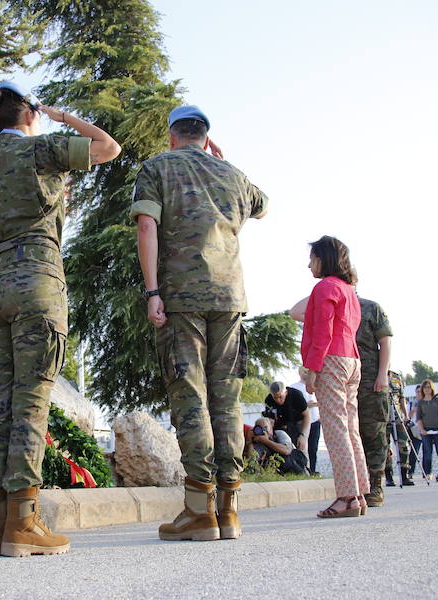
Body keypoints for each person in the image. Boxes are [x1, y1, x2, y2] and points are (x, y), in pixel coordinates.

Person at [0, 80, 120, 557]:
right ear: (29, 113)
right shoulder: (42, 150)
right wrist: (63, 117)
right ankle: (23, 524)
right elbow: (108, 147)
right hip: (36, 280)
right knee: (30, 403)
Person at [132, 104, 267, 541]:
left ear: (172, 136)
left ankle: (198, 511)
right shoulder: (232, 174)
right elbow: (262, 206)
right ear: (207, 139)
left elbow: (147, 227)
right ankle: (229, 511)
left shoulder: (157, 167)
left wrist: (153, 292)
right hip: (229, 299)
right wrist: (223, 165)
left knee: (190, 396)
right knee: (226, 400)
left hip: (181, 297)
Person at [300, 235, 368, 518]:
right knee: (351, 428)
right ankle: (359, 494)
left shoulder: (325, 286)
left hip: (332, 359)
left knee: (336, 429)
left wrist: (312, 369)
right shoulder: (349, 290)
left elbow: (323, 331)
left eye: (312, 258)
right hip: (352, 359)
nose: (309, 265)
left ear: (324, 259)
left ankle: (346, 497)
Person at [354, 297, 393, 507]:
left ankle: (376, 485)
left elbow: (385, 341)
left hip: (371, 380)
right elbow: (297, 311)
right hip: (345, 380)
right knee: (353, 434)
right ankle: (358, 486)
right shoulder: (333, 307)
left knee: (374, 432)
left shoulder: (370, 308)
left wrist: (382, 374)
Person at [290, 367, 322, 474]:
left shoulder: (317, 387)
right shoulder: (293, 388)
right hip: (301, 422)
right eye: (304, 371)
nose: (306, 374)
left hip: (315, 421)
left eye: (308, 371)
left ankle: (312, 470)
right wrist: (306, 405)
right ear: (299, 372)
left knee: (313, 448)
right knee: (300, 447)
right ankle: (300, 469)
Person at [384, 370, 413, 487]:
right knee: (385, 448)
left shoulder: (396, 377)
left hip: (397, 417)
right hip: (383, 417)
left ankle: (404, 475)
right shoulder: (375, 374)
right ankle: (388, 476)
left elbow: (401, 398)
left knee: (404, 446)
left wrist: (406, 416)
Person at [263, 381, 310, 452]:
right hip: (281, 425)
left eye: (280, 397)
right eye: (275, 398)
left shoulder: (296, 395)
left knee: (301, 449)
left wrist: (303, 435)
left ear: (286, 392)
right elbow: (270, 420)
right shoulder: (269, 400)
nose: (278, 400)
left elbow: (307, 415)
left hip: (298, 423)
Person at [414, 379, 438, 480]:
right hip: (426, 431)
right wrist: (422, 429)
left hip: (437, 430)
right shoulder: (421, 403)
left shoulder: (437, 400)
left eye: (429, 387)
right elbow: (419, 418)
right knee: (427, 452)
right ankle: (428, 472)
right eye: (425, 387)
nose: (427, 389)